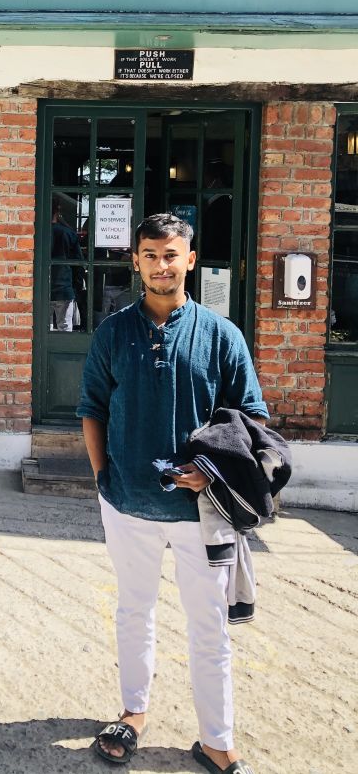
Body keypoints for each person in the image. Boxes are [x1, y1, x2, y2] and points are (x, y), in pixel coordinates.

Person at [78, 213, 267, 772]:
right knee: (133, 611)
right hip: (127, 506)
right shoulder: (113, 332)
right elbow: (92, 409)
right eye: (151, 255)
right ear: (136, 261)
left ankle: (217, 741)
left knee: (209, 626)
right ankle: (133, 712)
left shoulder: (221, 335)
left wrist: (212, 473)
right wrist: (104, 478)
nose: (161, 265)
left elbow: (251, 419)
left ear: (190, 259)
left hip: (200, 512)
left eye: (171, 255)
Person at [50, 197, 83, 331]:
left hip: (42, 287)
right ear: (58, 211)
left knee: (43, 327)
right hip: (64, 287)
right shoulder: (68, 233)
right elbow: (78, 263)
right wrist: (77, 287)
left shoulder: (37, 233)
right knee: (65, 326)